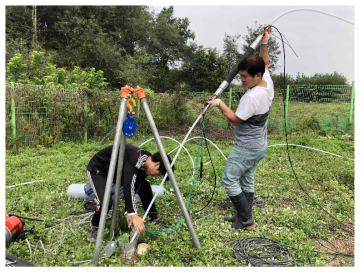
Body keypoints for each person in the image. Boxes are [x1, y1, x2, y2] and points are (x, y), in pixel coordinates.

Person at [205, 27, 274, 230]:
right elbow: (266, 62)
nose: (241, 79)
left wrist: (219, 104)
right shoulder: (265, 83)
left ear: (256, 75)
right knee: (246, 178)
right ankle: (243, 216)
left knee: (229, 179)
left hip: (247, 147)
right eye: (240, 75)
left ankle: (246, 220)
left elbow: (235, 120)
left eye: (245, 77)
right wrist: (264, 42)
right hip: (258, 145)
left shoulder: (252, 97)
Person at [86, 143, 174, 242]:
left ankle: (154, 218)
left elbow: (135, 185)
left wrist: (128, 212)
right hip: (99, 170)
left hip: (117, 172)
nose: (157, 176)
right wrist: (134, 214)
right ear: (157, 164)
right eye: (159, 173)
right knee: (105, 202)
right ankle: (95, 226)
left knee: (145, 186)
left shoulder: (145, 161)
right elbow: (128, 185)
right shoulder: (135, 159)